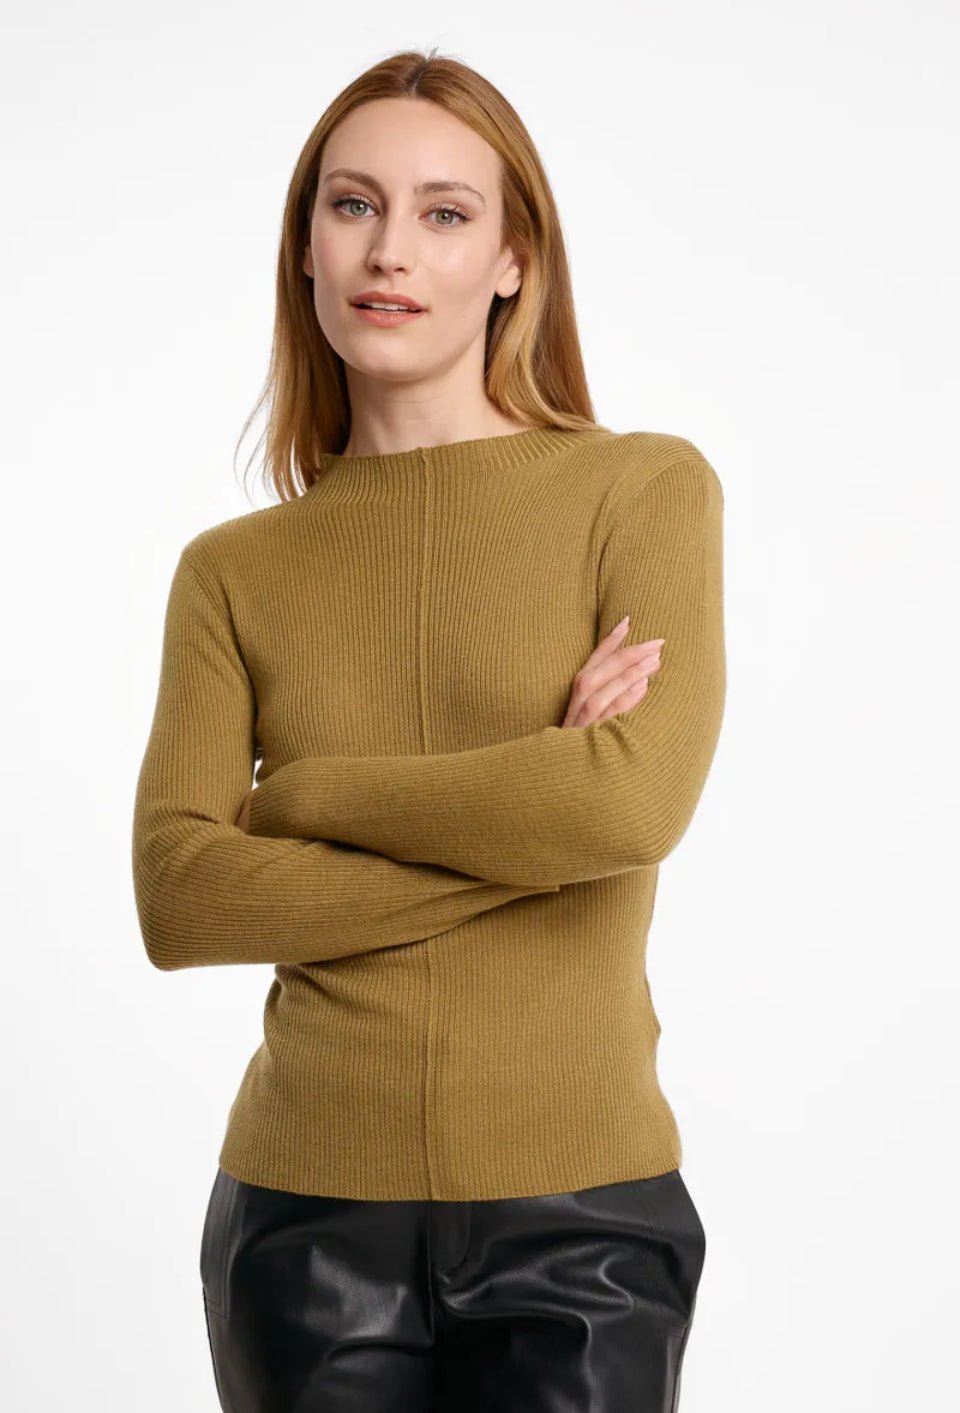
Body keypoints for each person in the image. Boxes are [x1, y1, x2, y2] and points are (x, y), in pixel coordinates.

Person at [132, 46, 726, 1413]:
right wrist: (540, 817)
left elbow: (628, 807)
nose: (389, 249)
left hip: (586, 1212)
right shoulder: (232, 572)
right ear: (305, 245)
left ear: (515, 258)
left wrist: (307, 797)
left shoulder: (642, 492)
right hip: (302, 1212)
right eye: (353, 205)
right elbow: (182, 896)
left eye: (444, 212)